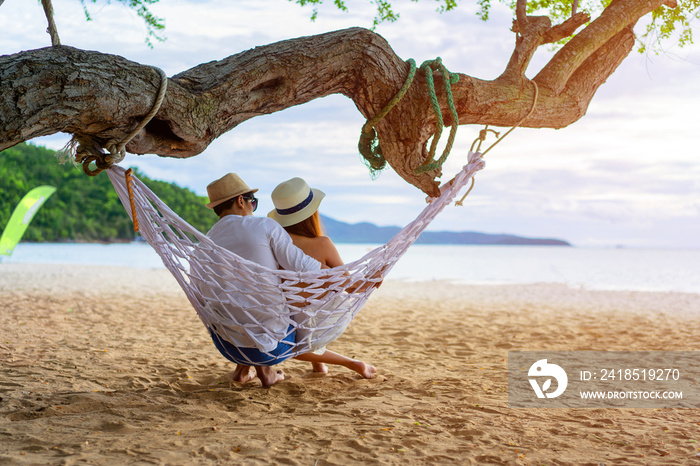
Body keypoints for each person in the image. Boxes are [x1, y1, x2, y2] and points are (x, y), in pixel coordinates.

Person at [204, 173, 376, 386]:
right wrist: (361, 282)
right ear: (241, 201)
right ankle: (273, 370)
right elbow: (310, 269)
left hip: (227, 345)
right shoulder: (264, 227)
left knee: (245, 301)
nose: (253, 208)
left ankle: (258, 372)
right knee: (285, 321)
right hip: (273, 348)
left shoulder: (206, 241)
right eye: (253, 203)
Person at [269, 177, 380, 377]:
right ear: (312, 214)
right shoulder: (322, 244)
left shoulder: (273, 246)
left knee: (314, 292)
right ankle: (354, 363)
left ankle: (318, 365)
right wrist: (373, 280)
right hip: (324, 321)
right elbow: (352, 287)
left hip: (291, 321)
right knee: (328, 289)